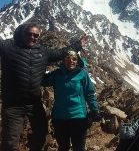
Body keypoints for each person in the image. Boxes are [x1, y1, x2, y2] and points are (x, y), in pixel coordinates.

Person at [0, 22, 89, 151]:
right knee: (10, 142)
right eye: (29, 34)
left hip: (34, 103)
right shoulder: (8, 47)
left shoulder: (42, 52)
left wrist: (78, 45)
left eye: (36, 35)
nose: (32, 37)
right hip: (13, 105)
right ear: (21, 34)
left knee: (41, 134)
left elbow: (61, 53)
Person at [41, 50, 99, 151]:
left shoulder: (83, 73)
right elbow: (42, 81)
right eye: (67, 58)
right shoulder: (57, 74)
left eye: (74, 59)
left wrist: (94, 110)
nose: (71, 61)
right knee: (63, 148)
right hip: (59, 118)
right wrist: (40, 64)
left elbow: (89, 93)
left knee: (79, 148)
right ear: (63, 60)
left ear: (77, 61)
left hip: (78, 117)